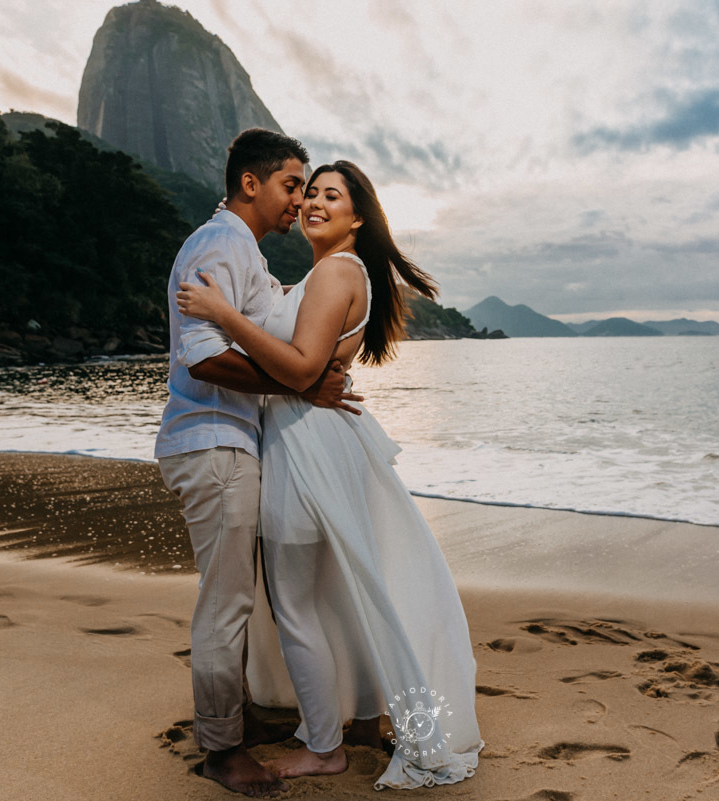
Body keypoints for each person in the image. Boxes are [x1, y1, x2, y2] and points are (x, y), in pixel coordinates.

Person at [176, 160, 484, 789]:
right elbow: (306, 366)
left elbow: (299, 369)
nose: (314, 202)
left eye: (329, 196)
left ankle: (324, 747)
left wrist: (221, 313)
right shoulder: (326, 275)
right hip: (310, 441)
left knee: (295, 604)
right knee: (334, 595)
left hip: (305, 448)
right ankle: (361, 719)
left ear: (358, 216)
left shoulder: (336, 272)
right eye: (309, 192)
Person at [154, 129, 361, 799]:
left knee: (235, 597)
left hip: (227, 440)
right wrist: (299, 384)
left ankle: (234, 717)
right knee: (228, 601)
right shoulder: (219, 246)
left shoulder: (243, 253)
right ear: (252, 184)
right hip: (213, 441)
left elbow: (279, 328)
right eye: (292, 184)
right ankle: (222, 748)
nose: (299, 198)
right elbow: (203, 355)